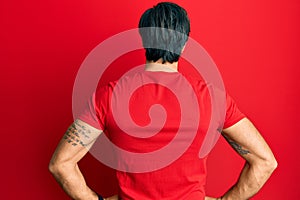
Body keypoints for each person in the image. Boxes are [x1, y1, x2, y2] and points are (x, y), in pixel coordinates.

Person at [49, 2, 277, 200]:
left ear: (143, 39)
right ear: (185, 43)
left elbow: (61, 164)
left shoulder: (110, 95)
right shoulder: (212, 98)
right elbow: (265, 162)